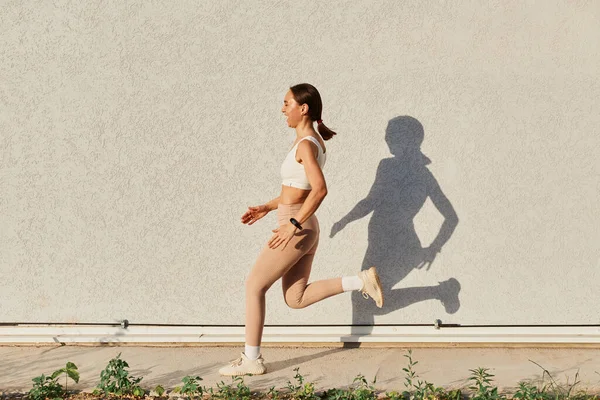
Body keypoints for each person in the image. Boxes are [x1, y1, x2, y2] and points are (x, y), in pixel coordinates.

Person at [218, 83, 384, 376]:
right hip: (303, 225)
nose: (283, 109)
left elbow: (319, 190)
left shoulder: (307, 144)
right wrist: (267, 208)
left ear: (302, 108)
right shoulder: (312, 142)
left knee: (254, 286)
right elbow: (295, 189)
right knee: (296, 298)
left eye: (286, 103)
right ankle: (360, 281)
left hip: (297, 225)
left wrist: (292, 225)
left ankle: (251, 359)